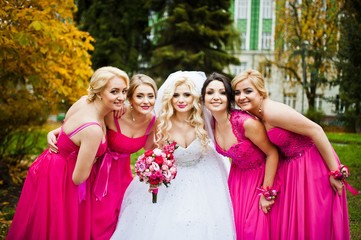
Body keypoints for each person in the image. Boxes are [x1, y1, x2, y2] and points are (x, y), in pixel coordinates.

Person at [7, 66, 130, 240]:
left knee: (44, 222)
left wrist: (53, 132)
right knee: (56, 226)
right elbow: (78, 178)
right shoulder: (93, 130)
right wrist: (94, 159)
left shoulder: (83, 102)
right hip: (63, 177)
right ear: (99, 91)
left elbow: (66, 129)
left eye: (124, 91)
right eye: (114, 91)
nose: (121, 97)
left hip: (49, 165)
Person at [110, 71, 236, 240]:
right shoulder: (160, 123)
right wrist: (153, 173)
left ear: (194, 98)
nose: (181, 100)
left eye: (186, 95)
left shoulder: (206, 121)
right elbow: (154, 153)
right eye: (176, 95)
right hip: (173, 180)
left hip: (205, 178)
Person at [231, 69, 351, 240]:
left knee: (314, 217)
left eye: (248, 91)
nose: (242, 96)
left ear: (260, 92)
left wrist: (335, 172)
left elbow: (316, 130)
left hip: (311, 163)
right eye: (237, 92)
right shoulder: (256, 115)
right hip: (292, 166)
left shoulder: (272, 112)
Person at [47, 74, 158, 240]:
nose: (146, 101)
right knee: (96, 219)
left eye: (150, 96)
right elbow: (84, 120)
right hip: (98, 172)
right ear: (130, 98)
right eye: (140, 96)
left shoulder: (153, 122)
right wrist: (56, 131)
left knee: (122, 217)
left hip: (123, 176)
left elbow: (150, 150)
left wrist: (162, 165)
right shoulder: (113, 113)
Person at [201, 72, 279, 240]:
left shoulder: (246, 123)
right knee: (233, 227)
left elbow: (272, 153)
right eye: (210, 92)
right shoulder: (210, 125)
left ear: (229, 97)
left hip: (260, 178)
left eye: (222, 92)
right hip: (236, 180)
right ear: (203, 98)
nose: (216, 97)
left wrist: (266, 193)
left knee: (253, 230)